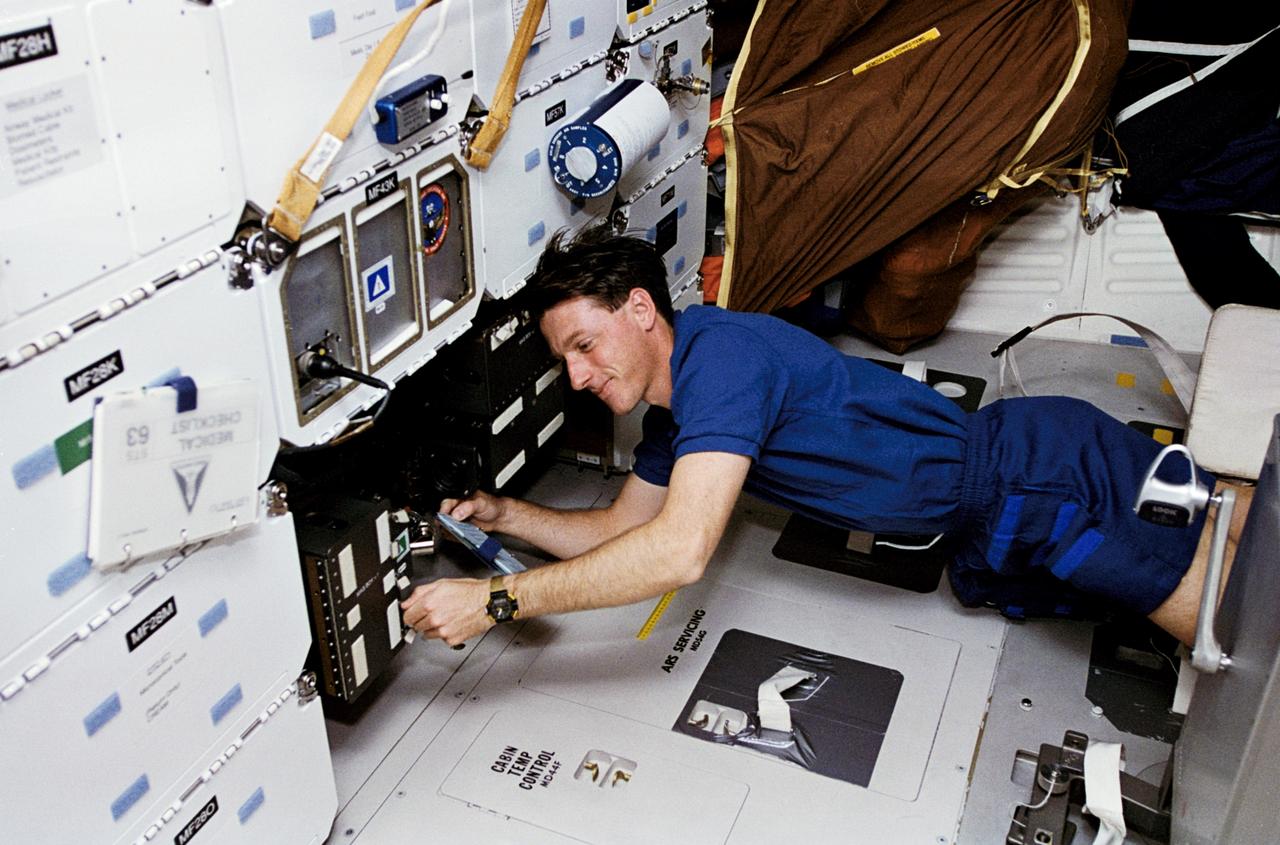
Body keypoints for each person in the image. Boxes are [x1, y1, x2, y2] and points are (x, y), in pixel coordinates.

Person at [401, 227, 1254, 647]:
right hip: (995, 516)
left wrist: (499, 600)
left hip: (1039, 481)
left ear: (639, 308)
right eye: (564, 363)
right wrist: (507, 514)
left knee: (1230, 622)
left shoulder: (720, 360)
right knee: (1239, 574)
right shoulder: (681, 414)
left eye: (584, 345)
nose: (580, 378)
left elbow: (679, 551)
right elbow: (625, 526)